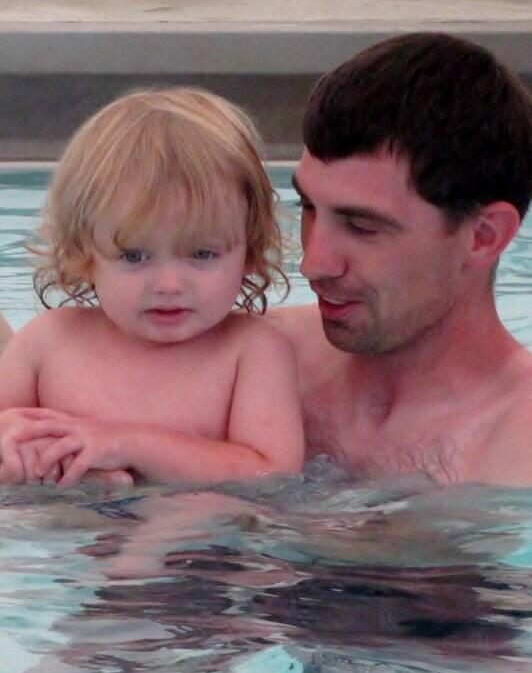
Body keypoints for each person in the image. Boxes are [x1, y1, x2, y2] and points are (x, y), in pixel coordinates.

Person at [0, 88, 304, 486]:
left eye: (202, 254)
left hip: (195, 544)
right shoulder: (46, 342)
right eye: (134, 257)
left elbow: (272, 473)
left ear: (250, 251)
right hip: (56, 532)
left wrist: (129, 444)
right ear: (84, 255)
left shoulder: (253, 352)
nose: (169, 285)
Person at [271, 32, 532, 486]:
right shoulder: (258, 360)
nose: (314, 264)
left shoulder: (516, 452)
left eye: (362, 227)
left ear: (483, 237)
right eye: (308, 208)